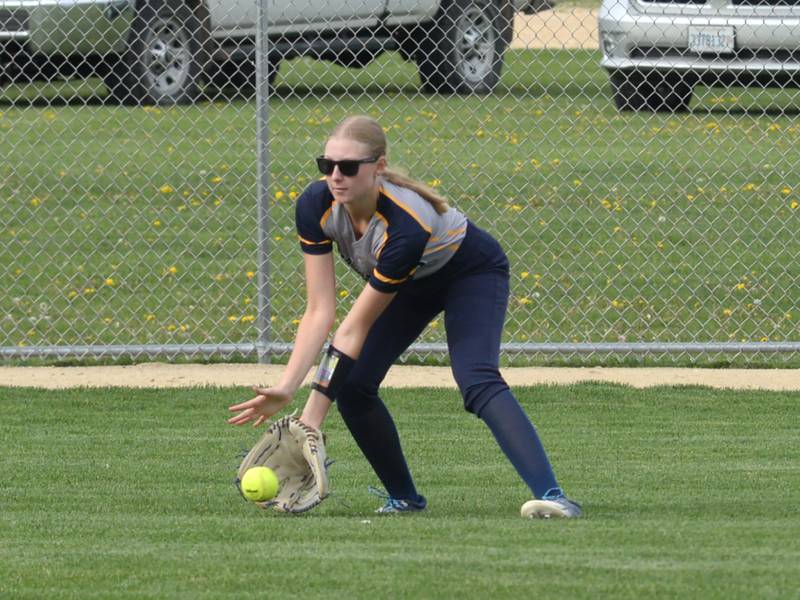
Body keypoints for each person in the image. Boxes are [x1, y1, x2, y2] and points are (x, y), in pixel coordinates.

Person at [228, 115, 581, 518]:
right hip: (408, 286)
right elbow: (319, 310)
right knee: (355, 386)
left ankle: (553, 496)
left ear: (378, 166)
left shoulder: (405, 225)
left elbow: (353, 327)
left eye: (348, 167)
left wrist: (311, 419)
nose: (335, 176)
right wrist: (288, 387)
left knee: (476, 379)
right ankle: (404, 499)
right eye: (327, 165)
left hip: (470, 273)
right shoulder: (316, 205)